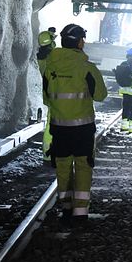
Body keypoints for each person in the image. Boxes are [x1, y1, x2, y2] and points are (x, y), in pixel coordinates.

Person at [43, 23, 107, 224]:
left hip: (59, 128)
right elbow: (101, 95)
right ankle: (81, 212)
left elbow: (47, 99)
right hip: (82, 128)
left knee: (62, 166)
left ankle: (66, 207)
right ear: (80, 42)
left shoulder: (50, 67)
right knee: (83, 165)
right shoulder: (87, 68)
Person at [36, 27, 57, 162]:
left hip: (49, 95)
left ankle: (47, 154)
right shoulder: (53, 57)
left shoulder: (42, 56)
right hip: (57, 94)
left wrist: (51, 35)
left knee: (51, 125)